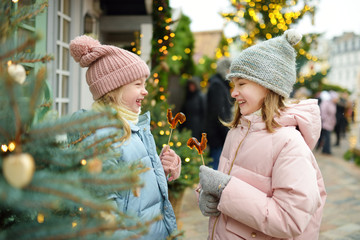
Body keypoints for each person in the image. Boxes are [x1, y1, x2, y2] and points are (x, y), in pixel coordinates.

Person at [197, 29, 326, 240]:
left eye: (241, 84)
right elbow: (233, 181)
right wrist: (207, 195)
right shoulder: (237, 132)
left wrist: (225, 189)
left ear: (268, 87)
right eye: (233, 84)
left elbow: (290, 220)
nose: (233, 92)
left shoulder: (290, 144)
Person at [69, 35, 181, 239]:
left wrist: (162, 170)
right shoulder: (101, 138)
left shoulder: (135, 129)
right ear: (113, 90)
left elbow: (134, 191)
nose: (145, 91)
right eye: (138, 84)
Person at [205, 57, 233, 170]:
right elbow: (219, 112)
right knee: (216, 167)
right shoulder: (217, 86)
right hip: (217, 135)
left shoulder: (220, 84)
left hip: (217, 133)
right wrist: (226, 133)